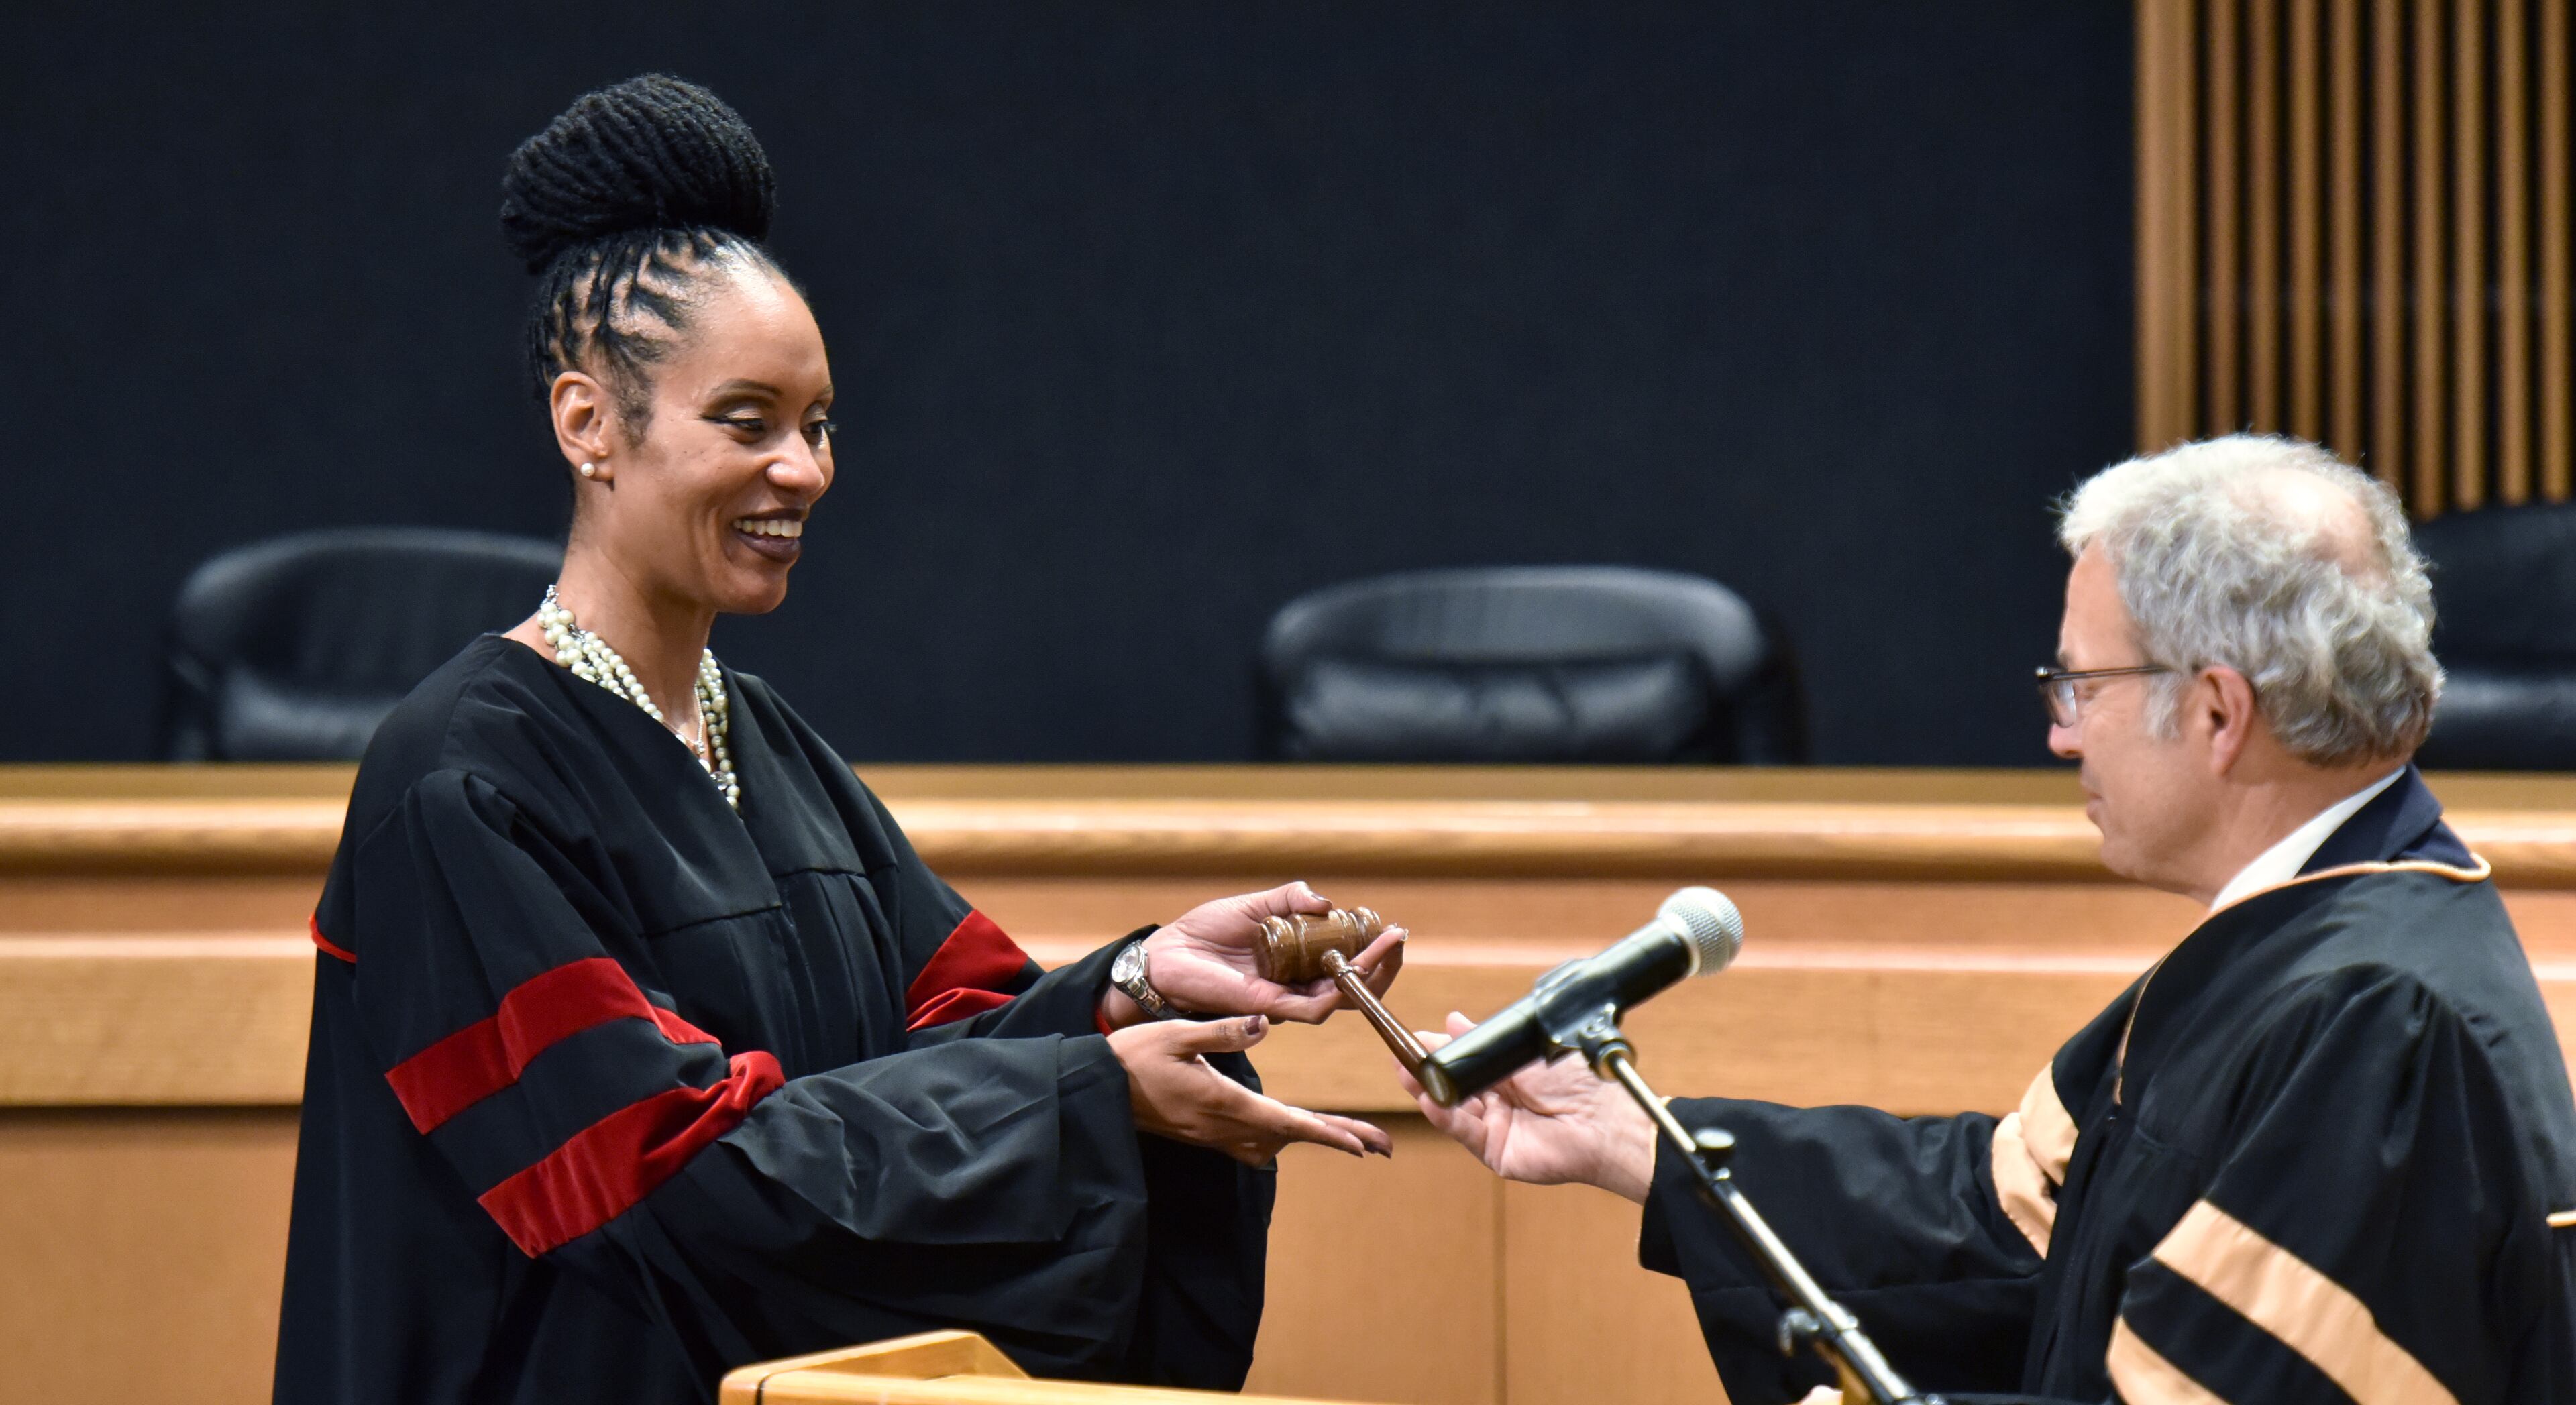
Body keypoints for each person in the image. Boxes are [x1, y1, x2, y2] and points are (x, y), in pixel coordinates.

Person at [272, 74, 1403, 1405]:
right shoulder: (460, 784)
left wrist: (1137, 983)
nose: (804, 470)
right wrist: (1094, 1102)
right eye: (745, 423)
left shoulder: (765, 743)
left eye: (815, 426)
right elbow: (665, 1183)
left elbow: (945, 1040)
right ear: (589, 424)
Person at [1403, 436, 2576, 1404]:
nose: (2062, 732)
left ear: (2217, 712)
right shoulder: (2309, 940)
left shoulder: (2380, 1021)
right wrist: (1637, 1143)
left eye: (2084, 685)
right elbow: (2005, 1220)